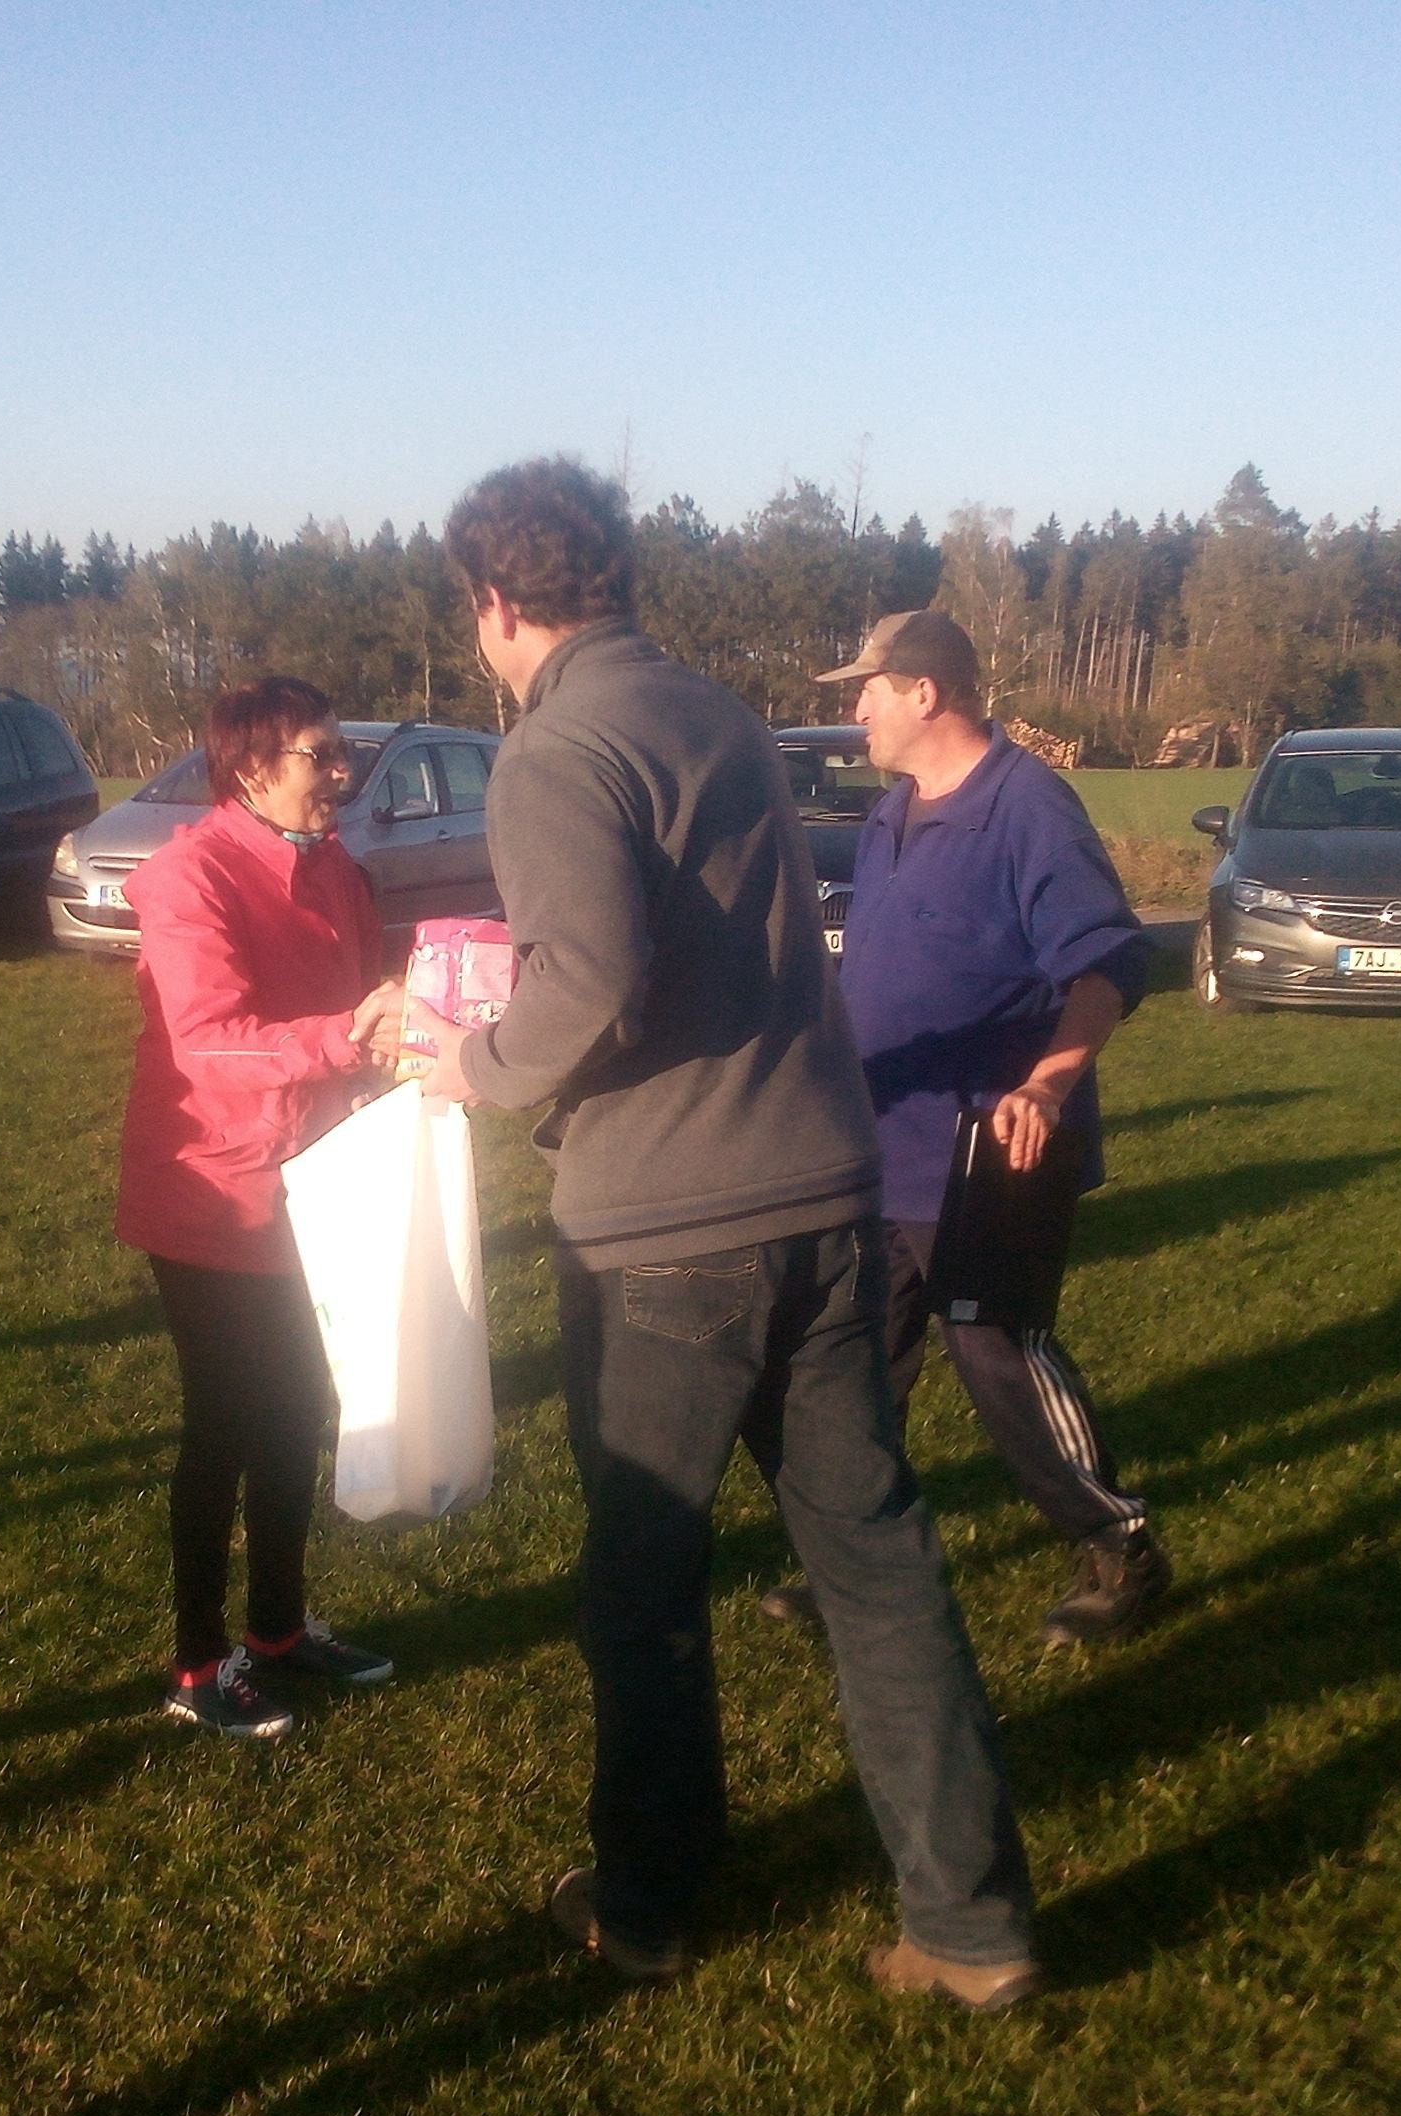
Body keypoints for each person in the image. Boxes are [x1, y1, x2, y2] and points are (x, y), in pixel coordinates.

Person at [415, 459, 1042, 2011]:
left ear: (494, 603)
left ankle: (648, 1901)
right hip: (827, 1198)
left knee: (642, 1585)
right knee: (878, 1564)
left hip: (665, 1231)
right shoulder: (722, 719)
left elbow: (588, 979)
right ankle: (974, 1924)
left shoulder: (555, 748)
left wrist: (474, 1066)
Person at [759, 609, 1173, 1648]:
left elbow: (1110, 963)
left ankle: (1120, 1546)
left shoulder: (1027, 807)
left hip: (990, 1151)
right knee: (857, 1364)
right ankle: (858, 1559)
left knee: (999, 1355)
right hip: (880, 1144)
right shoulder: (892, 813)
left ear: (925, 692)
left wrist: (1050, 1083)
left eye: (869, 688)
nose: (856, 707)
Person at [116, 675, 411, 1739]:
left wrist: (403, 1037)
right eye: (319, 756)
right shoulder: (187, 877)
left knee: (297, 1409)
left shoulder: (333, 864)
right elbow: (208, 1044)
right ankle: (197, 1665)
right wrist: (347, 1038)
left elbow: (361, 996)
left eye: (342, 752)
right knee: (227, 1421)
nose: (343, 774)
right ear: (249, 770)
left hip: (316, 1178)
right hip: (216, 1190)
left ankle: (279, 1631)